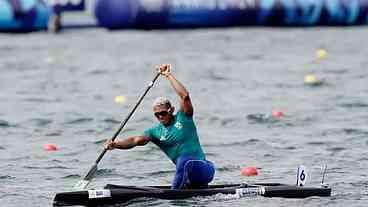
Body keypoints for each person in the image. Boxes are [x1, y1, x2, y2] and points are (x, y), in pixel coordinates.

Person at [104, 64, 215, 189]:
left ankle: (173, 195)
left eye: (163, 113)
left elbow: (184, 96)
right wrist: (115, 144)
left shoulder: (184, 117)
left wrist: (168, 75)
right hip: (188, 177)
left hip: (205, 170)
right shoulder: (155, 132)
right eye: (157, 115)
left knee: (184, 161)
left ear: (171, 110)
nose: (160, 117)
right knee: (183, 163)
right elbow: (135, 140)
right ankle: (180, 190)